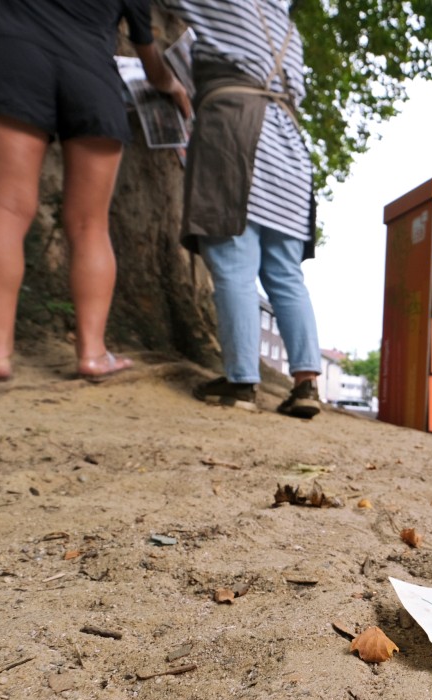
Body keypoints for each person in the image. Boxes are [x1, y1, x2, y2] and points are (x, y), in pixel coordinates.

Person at [0, 0, 190, 383]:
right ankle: (93, 354)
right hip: (93, 76)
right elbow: (149, 56)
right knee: (90, 226)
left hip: (13, 53)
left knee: (4, 206)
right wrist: (172, 84)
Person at [157, 0, 323, 418]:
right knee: (286, 274)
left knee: (233, 261)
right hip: (291, 155)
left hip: (238, 136)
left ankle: (240, 382)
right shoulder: (290, 31)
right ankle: (305, 386)